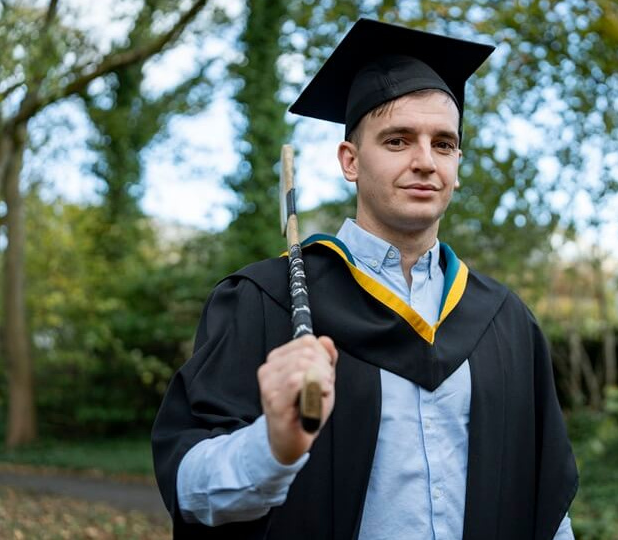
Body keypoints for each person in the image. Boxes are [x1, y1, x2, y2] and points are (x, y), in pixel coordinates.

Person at [152, 18, 578, 539]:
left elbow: (547, 503)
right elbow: (190, 488)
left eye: (443, 144)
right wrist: (273, 446)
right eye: (398, 140)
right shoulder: (265, 301)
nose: (425, 161)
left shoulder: (503, 320)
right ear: (350, 161)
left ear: (458, 164)